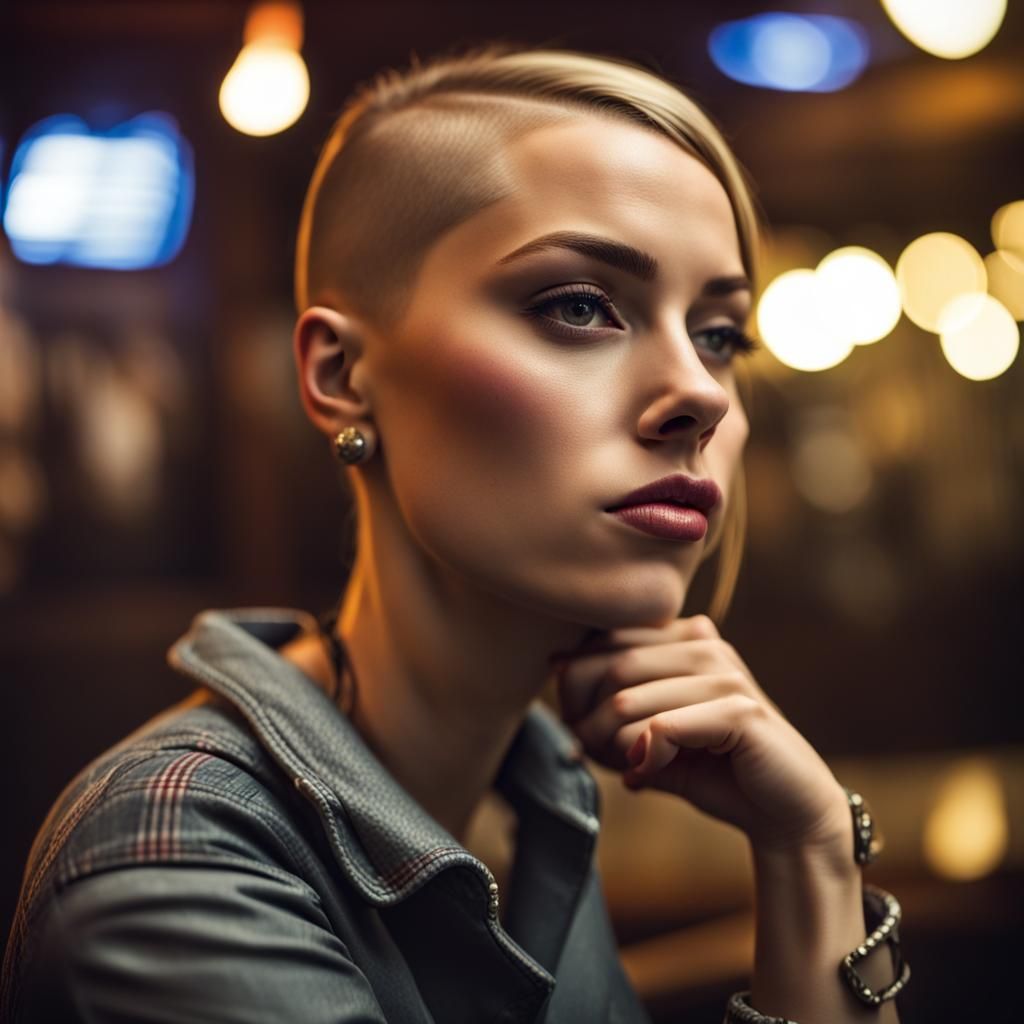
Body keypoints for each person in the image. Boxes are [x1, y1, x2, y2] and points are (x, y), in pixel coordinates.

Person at [1, 42, 909, 1024]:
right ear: (341, 375)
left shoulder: (537, 792)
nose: (698, 392)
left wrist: (812, 852)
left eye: (719, 334)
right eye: (578, 306)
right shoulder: (175, 860)